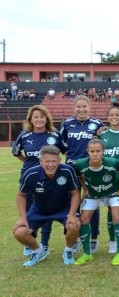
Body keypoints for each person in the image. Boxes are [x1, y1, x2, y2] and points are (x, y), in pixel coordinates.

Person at [13, 145, 81, 267]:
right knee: (19, 232)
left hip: (63, 209)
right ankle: (37, 251)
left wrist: (71, 215)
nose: (51, 165)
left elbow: (75, 193)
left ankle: (68, 250)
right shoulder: (31, 173)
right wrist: (23, 218)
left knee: (74, 225)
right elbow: (21, 195)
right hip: (39, 210)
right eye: (47, 161)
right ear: (40, 161)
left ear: (59, 161)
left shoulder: (67, 170)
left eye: (54, 161)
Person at [12, 105, 66, 256]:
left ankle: (45, 244)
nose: (39, 119)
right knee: (30, 210)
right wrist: (29, 164)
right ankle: (31, 241)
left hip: (50, 178)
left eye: (42, 116)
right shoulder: (24, 136)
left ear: (46, 118)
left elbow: (64, 151)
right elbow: (16, 153)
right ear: (30, 119)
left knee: (46, 210)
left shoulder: (54, 135)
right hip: (30, 178)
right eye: (36, 117)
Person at [60, 95, 104, 252]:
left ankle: (93, 238)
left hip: (90, 169)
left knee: (91, 202)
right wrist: (70, 154)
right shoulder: (67, 124)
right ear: (74, 109)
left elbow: (102, 145)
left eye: (84, 106)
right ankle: (76, 238)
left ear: (89, 107)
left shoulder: (97, 124)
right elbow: (61, 143)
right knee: (72, 202)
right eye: (78, 107)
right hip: (71, 168)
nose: (81, 109)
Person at [73, 139, 119, 266]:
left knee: (117, 217)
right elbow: (79, 175)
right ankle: (87, 253)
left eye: (98, 151)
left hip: (112, 192)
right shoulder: (80, 164)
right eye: (92, 151)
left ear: (103, 152)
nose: (95, 154)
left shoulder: (113, 163)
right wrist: (85, 189)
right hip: (93, 193)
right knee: (84, 219)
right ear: (88, 152)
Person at [98, 103, 119, 255]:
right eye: (111, 115)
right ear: (107, 118)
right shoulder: (102, 135)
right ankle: (112, 240)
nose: (114, 117)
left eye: (117, 115)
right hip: (108, 180)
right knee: (110, 210)